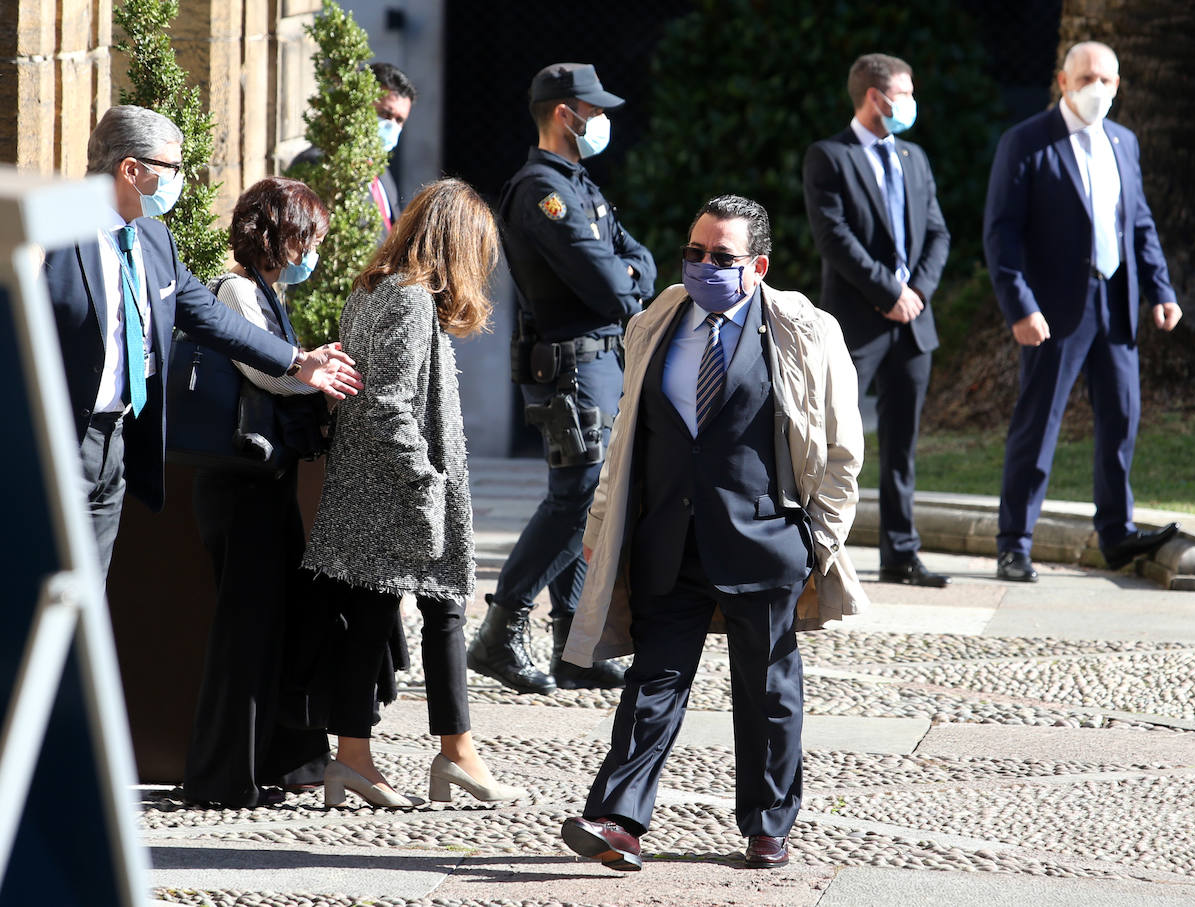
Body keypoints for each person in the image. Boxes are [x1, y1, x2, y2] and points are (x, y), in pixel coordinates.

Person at [558, 195, 866, 871]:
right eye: (693, 253)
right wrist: (604, 519)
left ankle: (767, 824)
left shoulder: (803, 331)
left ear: (756, 265)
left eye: (721, 257)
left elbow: (842, 448)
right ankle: (618, 818)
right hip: (668, 537)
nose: (703, 267)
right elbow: (626, 433)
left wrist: (818, 539)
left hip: (764, 539)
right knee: (653, 679)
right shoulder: (658, 321)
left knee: (768, 688)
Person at [44, 105, 361, 580]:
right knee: (35, 583)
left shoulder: (153, 238)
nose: (182, 181)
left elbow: (213, 316)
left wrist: (297, 361)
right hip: (56, 440)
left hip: (116, 441)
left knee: (86, 594)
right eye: (173, 168)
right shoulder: (54, 233)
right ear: (131, 170)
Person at [302, 179, 523, 810]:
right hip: (396, 493)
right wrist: (426, 481)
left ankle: (376, 759)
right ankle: (439, 757)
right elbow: (389, 403)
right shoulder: (407, 299)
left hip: (375, 489)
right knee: (420, 614)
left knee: (387, 620)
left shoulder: (377, 287)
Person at [470, 62, 656, 694]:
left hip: (598, 363)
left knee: (587, 501)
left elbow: (643, 261)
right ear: (563, 113)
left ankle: (573, 645)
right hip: (570, 368)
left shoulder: (580, 186)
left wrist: (628, 277)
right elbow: (611, 283)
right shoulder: (541, 192)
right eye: (594, 110)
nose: (602, 121)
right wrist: (627, 279)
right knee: (575, 498)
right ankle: (499, 630)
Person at [982, 41, 1183, 583]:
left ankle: (1116, 533)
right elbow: (1001, 236)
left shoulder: (1124, 142)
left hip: (1115, 301)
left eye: (1109, 80)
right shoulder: (1026, 142)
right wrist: (1020, 306)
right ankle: (1014, 542)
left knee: (1121, 417)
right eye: (1088, 77)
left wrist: (1161, 291)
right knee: (1039, 423)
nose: (1099, 88)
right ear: (1063, 81)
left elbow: (1139, 223)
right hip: (1053, 310)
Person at [181, 177, 334, 809]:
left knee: (273, 622)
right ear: (281, 236)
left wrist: (313, 365)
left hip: (262, 484)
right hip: (239, 486)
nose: (313, 252)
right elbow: (261, 369)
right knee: (243, 630)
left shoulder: (265, 291)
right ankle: (221, 777)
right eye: (308, 238)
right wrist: (320, 373)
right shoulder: (237, 289)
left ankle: (276, 761)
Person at [802, 52, 951, 588]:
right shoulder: (829, 156)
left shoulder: (914, 156)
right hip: (857, 323)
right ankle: (813, 550)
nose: (911, 104)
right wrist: (888, 292)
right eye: (905, 94)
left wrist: (915, 295)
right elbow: (833, 238)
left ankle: (900, 552)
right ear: (875, 96)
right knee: (832, 440)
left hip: (913, 324)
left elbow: (938, 233)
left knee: (901, 444)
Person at [290, 61, 415, 242]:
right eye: (385, 114)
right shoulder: (320, 163)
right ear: (359, 106)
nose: (392, 126)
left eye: (399, 120)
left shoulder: (381, 171)